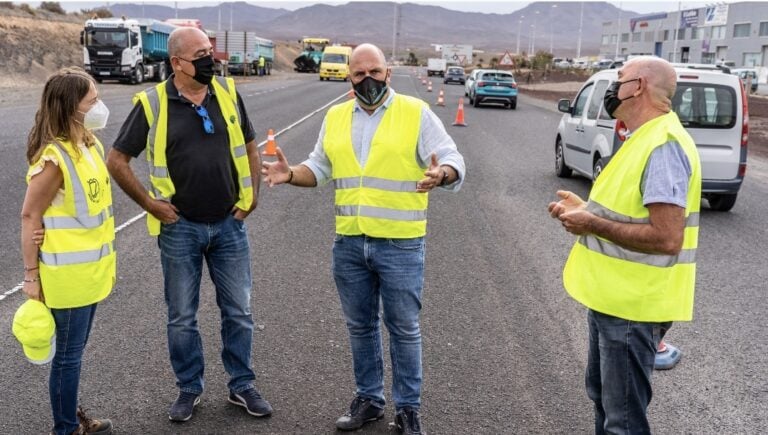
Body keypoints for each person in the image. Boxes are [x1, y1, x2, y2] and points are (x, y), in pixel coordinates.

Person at [262, 43, 465, 435]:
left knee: (403, 328)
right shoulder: (336, 116)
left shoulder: (415, 112)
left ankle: (408, 409)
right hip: (351, 243)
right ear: (349, 77)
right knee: (360, 327)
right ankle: (369, 400)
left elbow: (452, 157)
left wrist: (443, 175)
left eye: (375, 71)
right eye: (359, 73)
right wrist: (291, 174)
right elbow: (319, 167)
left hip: (400, 244)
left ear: (388, 73)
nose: (367, 79)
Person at [106, 27, 269, 423]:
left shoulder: (227, 93)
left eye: (209, 52)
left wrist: (252, 198)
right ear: (177, 63)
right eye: (200, 54)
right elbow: (117, 160)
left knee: (239, 311)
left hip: (229, 225)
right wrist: (149, 204)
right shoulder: (152, 103)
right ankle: (189, 388)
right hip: (181, 229)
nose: (209, 60)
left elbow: (249, 145)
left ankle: (241, 384)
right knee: (181, 315)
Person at [548, 56, 701, 434]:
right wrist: (587, 210)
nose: (613, 88)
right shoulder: (642, 138)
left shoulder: (662, 145)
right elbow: (629, 212)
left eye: (620, 79)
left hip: (633, 308)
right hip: (613, 300)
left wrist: (591, 223)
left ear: (640, 86)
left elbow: (666, 237)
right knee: (604, 401)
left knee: (624, 421)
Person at [21, 67, 115, 435]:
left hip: (91, 273)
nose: (99, 106)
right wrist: (31, 276)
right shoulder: (53, 159)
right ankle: (66, 429)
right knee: (68, 358)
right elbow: (30, 215)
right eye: (92, 101)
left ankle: (71, 420)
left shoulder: (89, 145)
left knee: (72, 355)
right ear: (70, 108)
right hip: (67, 276)